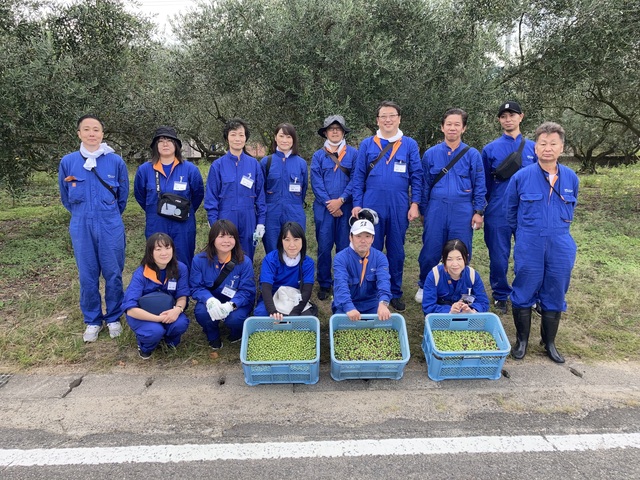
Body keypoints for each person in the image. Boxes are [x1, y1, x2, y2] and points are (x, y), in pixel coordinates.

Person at [506, 122, 579, 363]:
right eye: (542, 144)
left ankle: (549, 343)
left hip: (560, 243)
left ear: (562, 147)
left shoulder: (571, 178)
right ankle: (522, 341)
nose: (547, 148)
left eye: (553, 144)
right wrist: (526, 236)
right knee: (524, 288)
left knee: (556, 289)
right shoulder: (521, 177)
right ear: (535, 148)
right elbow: (510, 212)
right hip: (530, 242)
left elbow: (572, 208)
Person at [58, 114, 129, 343]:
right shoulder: (68, 162)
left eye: (96, 130)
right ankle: (92, 320)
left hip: (110, 224)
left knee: (113, 273)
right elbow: (66, 198)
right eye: (86, 129)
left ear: (102, 134)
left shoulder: (115, 162)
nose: (91, 134)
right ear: (79, 134)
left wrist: (107, 215)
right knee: (87, 275)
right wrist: (84, 214)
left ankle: (114, 317)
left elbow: (123, 197)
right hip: (81, 225)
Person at [350, 101, 422, 312]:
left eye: (392, 115)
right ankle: (370, 290)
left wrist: (415, 203)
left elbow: (417, 176)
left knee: (396, 251)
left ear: (399, 118)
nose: (388, 120)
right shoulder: (367, 144)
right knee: (369, 248)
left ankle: (394, 291)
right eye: (383, 116)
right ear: (377, 120)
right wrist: (357, 203)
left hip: (399, 204)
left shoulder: (409, 144)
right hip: (372, 204)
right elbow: (358, 176)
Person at [416, 108, 486, 303]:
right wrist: (423, 209)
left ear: (464, 128)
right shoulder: (430, 154)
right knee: (430, 250)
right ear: (442, 127)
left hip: (462, 210)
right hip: (436, 208)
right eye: (449, 124)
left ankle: (461, 289)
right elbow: (424, 184)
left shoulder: (472, 155)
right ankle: (425, 285)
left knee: (460, 250)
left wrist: (478, 211)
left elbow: (480, 185)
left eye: (457, 124)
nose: (452, 128)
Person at [481, 101, 537, 314]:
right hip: (498, 209)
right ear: (499, 120)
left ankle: (526, 294)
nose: (508, 119)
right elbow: (484, 183)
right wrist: (480, 210)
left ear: (521, 117)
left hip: (528, 211)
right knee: (498, 254)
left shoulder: (534, 148)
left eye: (512, 115)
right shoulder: (489, 149)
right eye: (504, 116)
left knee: (528, 254)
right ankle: (500, 294)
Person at [134, 126, 204, 269]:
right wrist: (155, 209)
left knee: (183, 259)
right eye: (161, 141)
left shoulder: (190, 169)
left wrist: (183, 211)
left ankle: (183, 290)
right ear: (155, 146)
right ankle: (159, 289)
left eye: (169, 140)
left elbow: (197, 195)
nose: (165, 144)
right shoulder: (144, 170)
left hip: (183, 224)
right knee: (157, 258)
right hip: (156, 222)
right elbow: (140, 196)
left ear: (176, 145)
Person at [204, 119, 266, 260]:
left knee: (246, 257)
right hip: (225, 216)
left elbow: (260, 197)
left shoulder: (254, 165)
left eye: (241, 135)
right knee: (225, 257)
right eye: (233, 135)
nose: (237, 139)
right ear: (227, 138)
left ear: (246, 138)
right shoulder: (217, 166)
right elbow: (211, 199)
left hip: (249, 217)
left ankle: (245, 282)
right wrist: (214, 224)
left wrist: (261, 222)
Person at [310, 115, 357, 300]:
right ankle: (324, 283)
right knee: (324, 247)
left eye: (338, 128)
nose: (335, 131)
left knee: (345, 247)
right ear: (325, 133)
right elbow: (316, 182)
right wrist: (330, 204)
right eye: (331, 129)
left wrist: (342, 200)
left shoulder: (354, 154)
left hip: (346, 208)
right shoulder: (318, 155)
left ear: (344, 132)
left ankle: (342, 282)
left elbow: (356, 179)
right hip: (324, 209)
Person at [190, 220, 256, 349]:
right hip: (211, 299)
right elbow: (196, 287)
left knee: (236, 319)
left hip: (236, 303)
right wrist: (209, 300)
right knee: (202, 312)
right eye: (221, 236)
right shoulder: (199, 260)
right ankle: (212, 334)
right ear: (213, 238)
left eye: (231, 237)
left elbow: (247, 291)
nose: (227, 241)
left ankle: (236, 333)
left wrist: (231, 305)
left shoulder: (244, 262)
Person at [122, 233, 190, 359]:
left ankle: (170, 342)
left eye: (167, 248)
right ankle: (145, 346)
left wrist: (177, 310)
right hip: (143, 315)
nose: (164, 253)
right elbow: (130, 310)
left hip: (168, 310)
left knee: (180, 323)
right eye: (158, 249)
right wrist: (158, 319)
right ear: (150, 252)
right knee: (154, 331)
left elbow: (182, 295)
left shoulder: (180, 268)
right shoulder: (141, 273)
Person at [332, 216, 392, 321]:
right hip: (346, 303)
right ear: (351, 237)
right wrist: (349, 307)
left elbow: (384, 281)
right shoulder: (341, 258)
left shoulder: (380, 258)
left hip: (371, 304)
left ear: (373, 239)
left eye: (367, 236)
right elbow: (341, 284)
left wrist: (383, 303)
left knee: (379, 332)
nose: (363, 241)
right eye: (358, 236)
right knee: (343, 330)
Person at [260, 123, 308, 253]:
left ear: (293, 139)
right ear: (275, 138)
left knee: (294, 248)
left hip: (295, 210)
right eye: (281, 136)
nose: (285, 140)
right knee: (272, 248)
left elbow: (303, 190)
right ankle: (274, 273)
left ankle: (294, 273)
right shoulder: (266, 162)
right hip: (271, 212)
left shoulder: (301, 163)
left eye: (288, 137)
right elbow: (260, 190)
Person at [254, 222, 316, 320]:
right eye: (287, 240)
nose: (292, 245)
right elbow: (266, 288)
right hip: (273, 296)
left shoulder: (308, 263)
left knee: (306, 319)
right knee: (260, 314)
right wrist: (273, 311)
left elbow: (307, 290)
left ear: (302, 241)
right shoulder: (271, 259)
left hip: (295, 298)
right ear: (281, 241)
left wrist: (295, 312)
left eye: (296, 239)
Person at [421, 239, 489, 315]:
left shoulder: (472, 275)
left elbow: (484, 303)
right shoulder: (434, 275)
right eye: (449, 259)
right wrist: (450, 311)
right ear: (444, 259)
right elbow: (428, 307)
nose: (455, 264)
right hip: (442, 321)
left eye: (459, 259)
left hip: (467, 320)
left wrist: (471, 310)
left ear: (466, 258)